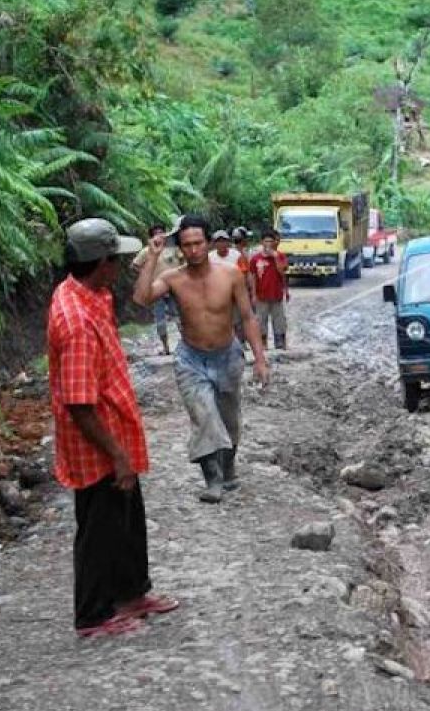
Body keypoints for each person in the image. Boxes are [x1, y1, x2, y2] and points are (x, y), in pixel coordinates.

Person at [49, 218, 179, 638]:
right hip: (96, 443)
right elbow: (79, 403)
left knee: (127, 517)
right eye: (117, 259)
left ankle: (130, 592)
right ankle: (93, 614)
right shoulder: (76, 322)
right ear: (101, 262)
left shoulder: (92, 295)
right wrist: (117, 456)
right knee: (98, 527)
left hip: (114, 430)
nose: (121, 265)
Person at [133, 216, 270, 503]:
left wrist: (260, 359)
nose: (193, 250)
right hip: (191, 359)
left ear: (207, 243)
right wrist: (153, 256)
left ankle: (229, 467)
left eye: (198, 243)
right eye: (187, 245)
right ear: (179, 248)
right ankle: (213, 479)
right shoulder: (173, 278)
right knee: (204, 416)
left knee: (229, 419)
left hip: (227, 355)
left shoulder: (230, 274)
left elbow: (247, 317)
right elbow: (143, 298)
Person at [130, 224, 183, 355]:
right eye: (156, 233)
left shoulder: (173, 249)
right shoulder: (147, 251)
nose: (159, 235)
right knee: (160, 319)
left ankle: (186, 344)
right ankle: (166, 348)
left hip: (173, 288)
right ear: (151, 236)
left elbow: (183, 263)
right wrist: (145, 275)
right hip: (155, 289)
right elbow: (134, 265)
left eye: (161, 232)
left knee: (180, 317)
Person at [252, 227, 290, 350]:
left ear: (275, 242)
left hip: (276, 294)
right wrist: (253, 294)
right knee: (261, 321)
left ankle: (280, 342)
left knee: (279, 320)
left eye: (270, 241)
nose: (268, 244)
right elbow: (252, 277)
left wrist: (275, 257)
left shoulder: (281, 256)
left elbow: (282, 272)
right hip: (261, 295)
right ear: (261, 242)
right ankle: (263, 343)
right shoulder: (255, 259)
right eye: (266, 241)